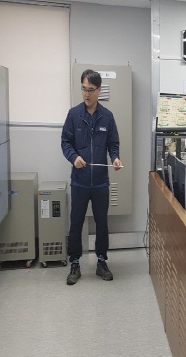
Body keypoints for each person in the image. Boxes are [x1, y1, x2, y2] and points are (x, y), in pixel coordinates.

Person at [61, 69, 123, 286]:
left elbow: (113, 144)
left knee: (102, 223)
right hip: (79, 181)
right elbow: (65, 143)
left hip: (100, 182)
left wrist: (115, 158)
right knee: (76, 223)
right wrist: (74, 157)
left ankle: (101, 261)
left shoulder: (107, 116)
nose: (86, 94)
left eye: (90, 90)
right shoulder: (73, 114)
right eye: (83, 89)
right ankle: (75, 263)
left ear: (98, 91)